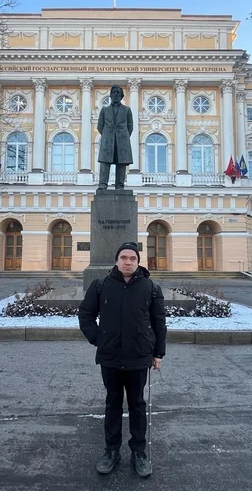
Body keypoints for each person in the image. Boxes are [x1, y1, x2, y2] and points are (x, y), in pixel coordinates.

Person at [78, 242, 167, 477]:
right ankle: (112, 450)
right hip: (110, 357)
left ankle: (139, 451)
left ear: (138, 262)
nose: (128, 262)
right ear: (116, 261)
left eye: (132, 258)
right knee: (113, 403)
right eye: (123, 257)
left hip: (139, 357)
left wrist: (158, 353)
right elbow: (85, 315)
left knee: (137, 404)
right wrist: (98, 338)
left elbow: (159, 323)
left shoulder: (151, 288)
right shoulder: (101, 286)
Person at [97, 85, 133, 190]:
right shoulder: (104, 110)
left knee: (121, 163)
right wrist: (108, 135)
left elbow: (130, 126)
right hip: (108, 140)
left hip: (122, 140)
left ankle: (120, 185)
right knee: (105, 162)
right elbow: (100, 126)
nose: (116, 94)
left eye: (118, 92)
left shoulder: (127, 110)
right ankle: (103, 184)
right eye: (114, 92)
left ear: (121, 96)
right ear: (111, 95)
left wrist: (123, 136)